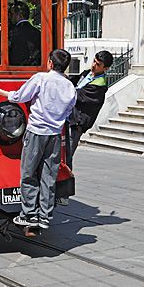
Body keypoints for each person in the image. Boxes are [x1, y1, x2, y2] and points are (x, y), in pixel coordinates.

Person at [0, 49, 76, 230]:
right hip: (55, 135)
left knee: (28, 173)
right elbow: (68, 112)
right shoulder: (70, 87)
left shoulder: (41, 79)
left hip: (36, 132)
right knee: (49, 176)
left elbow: (19, 96)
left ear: (50, 62)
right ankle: (45, 215)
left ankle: (29, 214)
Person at [57, 50, 114, 206]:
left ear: (105, 68)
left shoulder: (99, 87)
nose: (94, 65)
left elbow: (75, 95)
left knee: (67, 156)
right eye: (94, 61)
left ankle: (64, 193)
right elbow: (73, 81)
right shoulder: (87, 73)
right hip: (66, 119)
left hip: (76, 124)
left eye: (98, 64)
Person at [9, 1, 41, 66]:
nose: (10, 17)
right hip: (34, 69)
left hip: (15, 70)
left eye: (12, 14)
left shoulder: (12, 33)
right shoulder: (37, 32)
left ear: (19, 15)